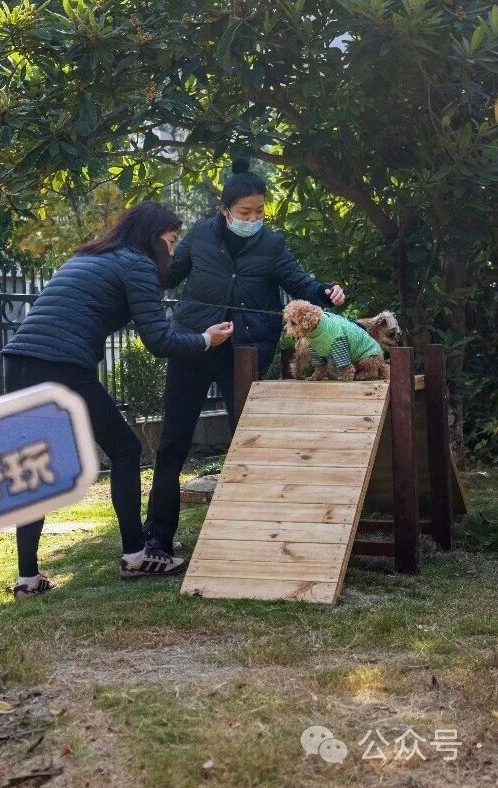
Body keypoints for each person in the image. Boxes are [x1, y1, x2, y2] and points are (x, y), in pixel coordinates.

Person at [1, 202, 234, 599]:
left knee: (36, 466)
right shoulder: (137, 264)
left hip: (19, 361)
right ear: (153, 238)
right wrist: (205, 339)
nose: (173, 251)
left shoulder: (90, 255)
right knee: (125, 449)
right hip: (61, 365)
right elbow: (159, 340)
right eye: (171, 241)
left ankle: (28, 579)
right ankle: (136, 555)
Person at [143, 159, 346, 557]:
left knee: (249, 442)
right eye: (245, 212)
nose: (253, 219)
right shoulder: (200, 235)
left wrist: (327, 292)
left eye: (259, 212)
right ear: (225, 210)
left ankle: (256, 531)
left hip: (246, 352)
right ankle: (157, 538)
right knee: (173, 444)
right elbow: (168, 276)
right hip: (194, 345)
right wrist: (139, 269)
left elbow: (300, 283)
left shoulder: (272, 244)